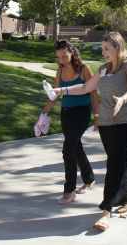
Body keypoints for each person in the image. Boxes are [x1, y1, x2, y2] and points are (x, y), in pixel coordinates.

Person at [52, 32, 127, 231]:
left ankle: (106, 211)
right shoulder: (102, 70)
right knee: (118, 161)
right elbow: (85, 87)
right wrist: (62, 91)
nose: (103, 53)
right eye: (102, 49)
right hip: (107, 122)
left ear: (118, 48)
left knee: (115, 164)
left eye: (107, 49)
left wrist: (123, 99)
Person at [41, 40, 97, 205]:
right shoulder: (60, 70)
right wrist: (44, 113)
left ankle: (69, 190)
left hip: (82, 113)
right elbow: (55, 94)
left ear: (72, 52)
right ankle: (89, 179)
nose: (62, 59)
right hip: (66, 113)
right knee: (75, 146)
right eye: (58, 57)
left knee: (68, 149)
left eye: (64, 55)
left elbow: (93, 93)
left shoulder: (84, 69)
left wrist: (97, 115)